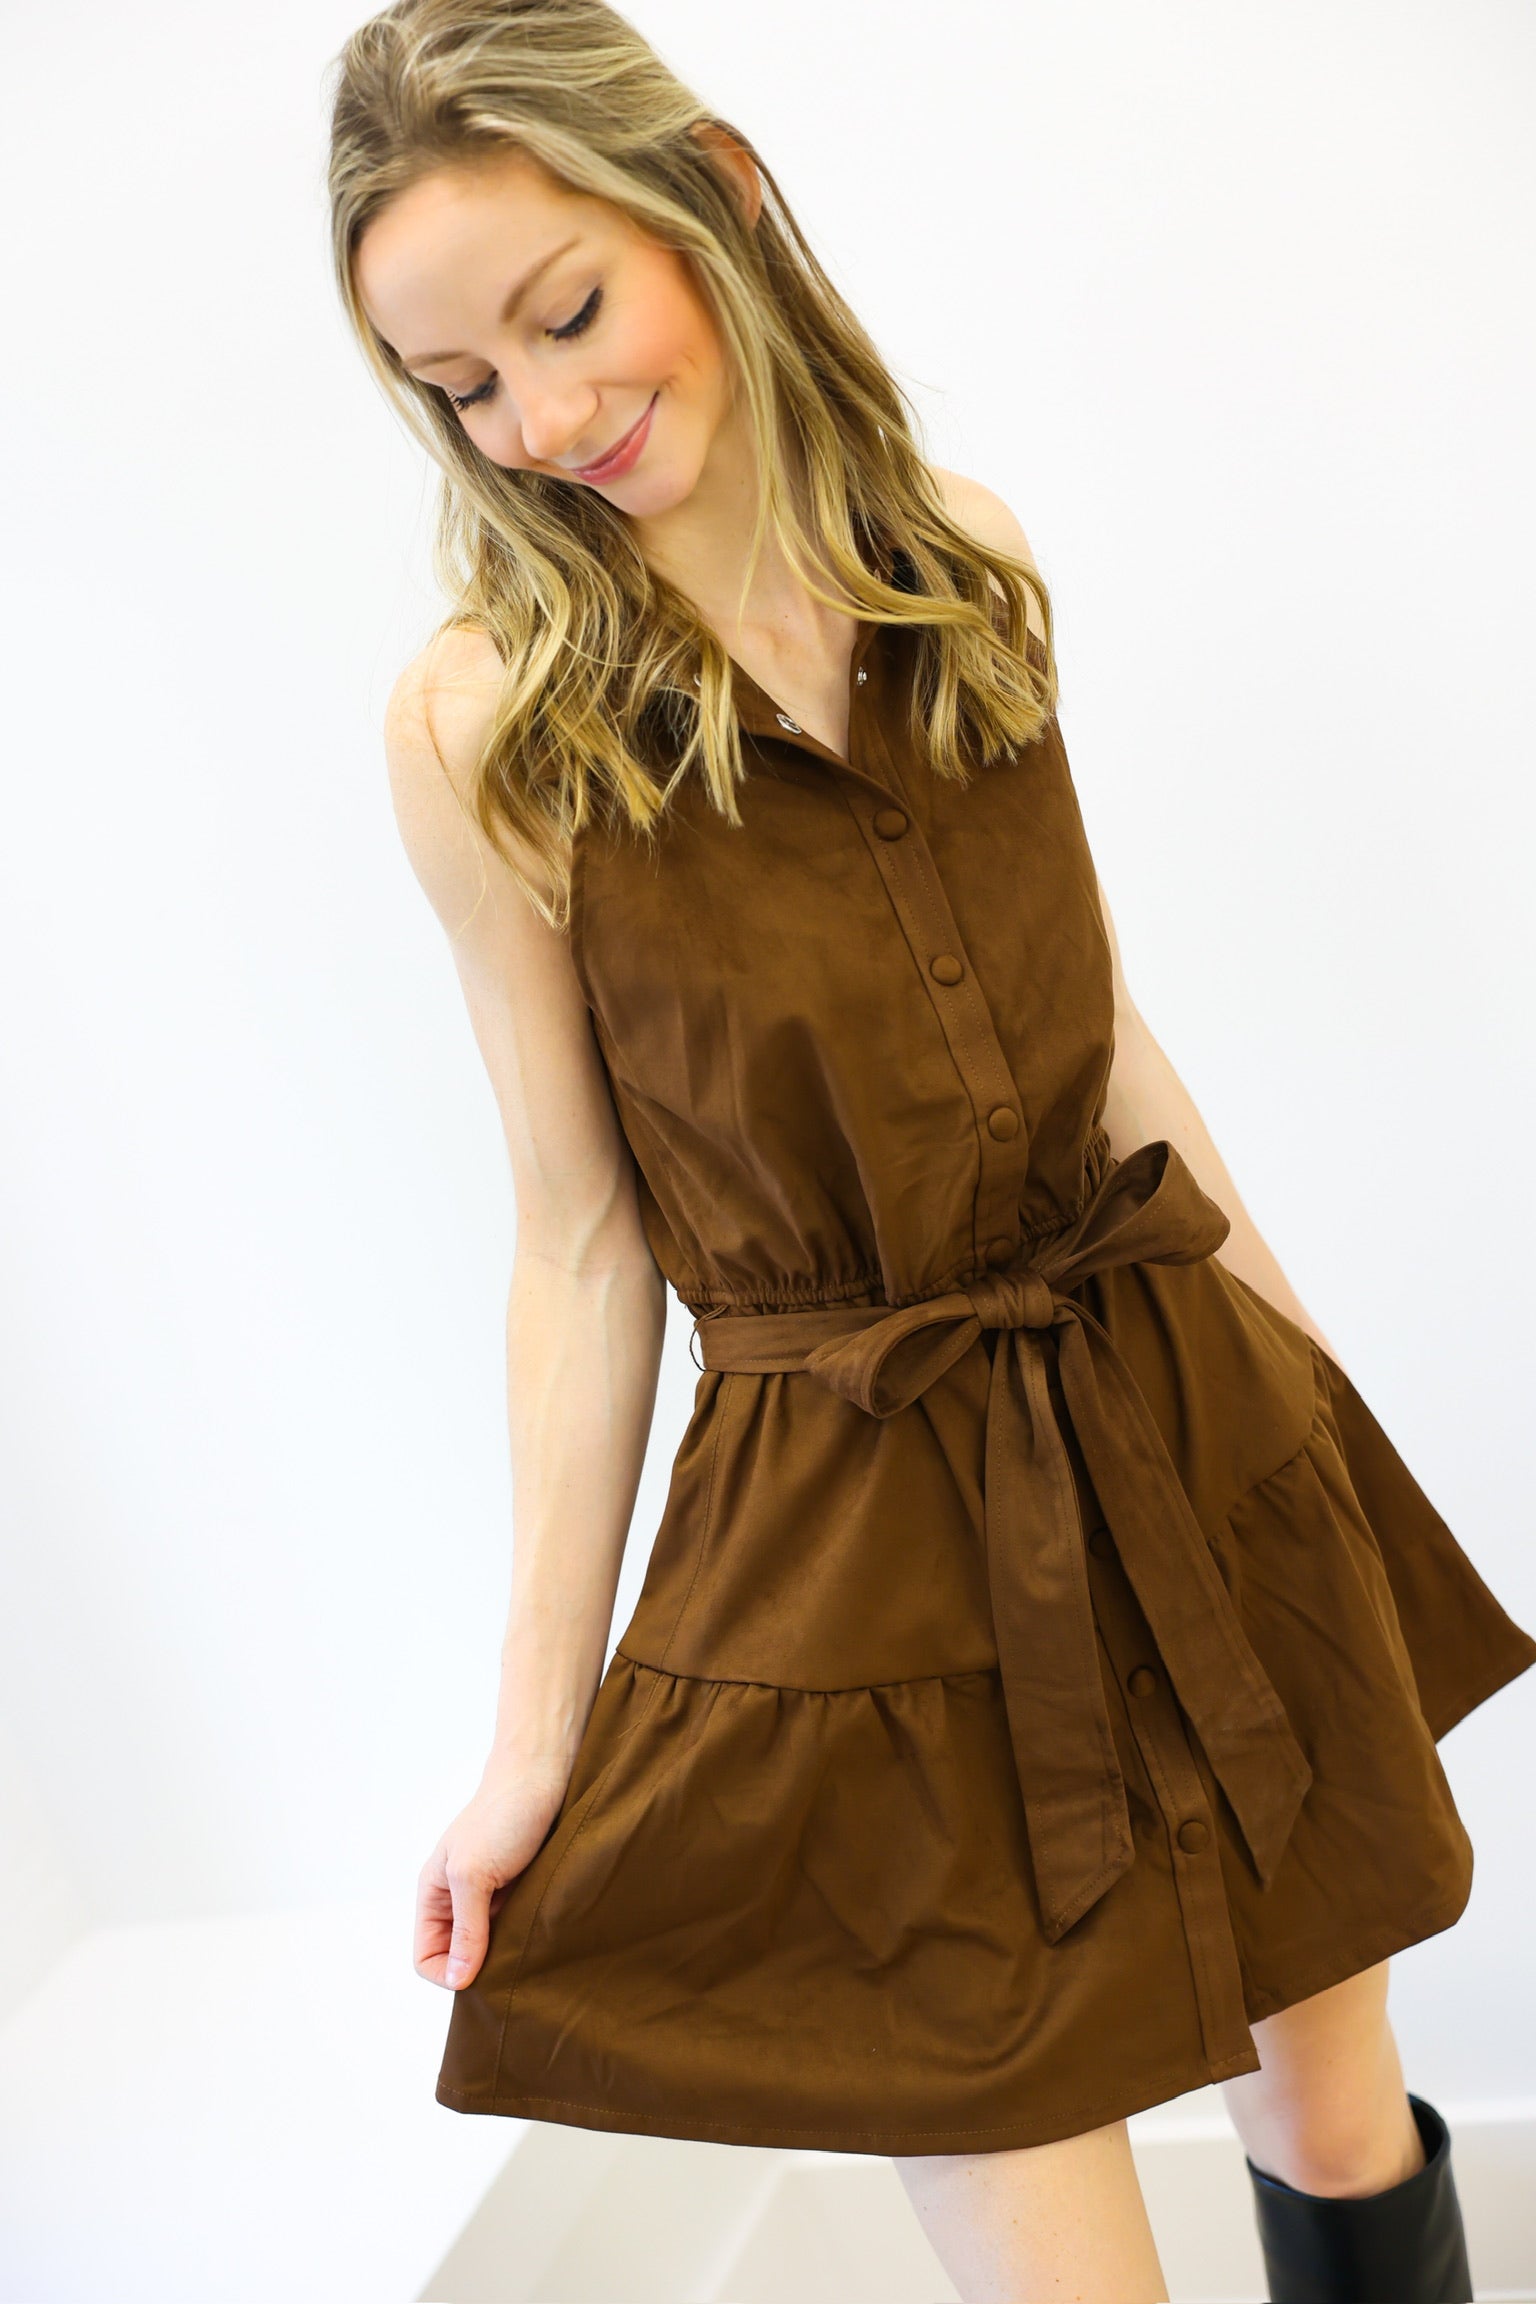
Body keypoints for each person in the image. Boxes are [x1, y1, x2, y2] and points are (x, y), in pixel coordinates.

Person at [325, 4, 1536, 2296]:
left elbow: (1106, 1055)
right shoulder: (488, 727)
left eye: (567, 313)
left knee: (1349, 2135)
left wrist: (1312, 1424)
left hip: (1177, 1435)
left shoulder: (962, 562)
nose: (544, 419)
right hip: (860, 1559)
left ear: (722, 192)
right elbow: (581, 1248)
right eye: (465, 385)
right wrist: (529, 1734)